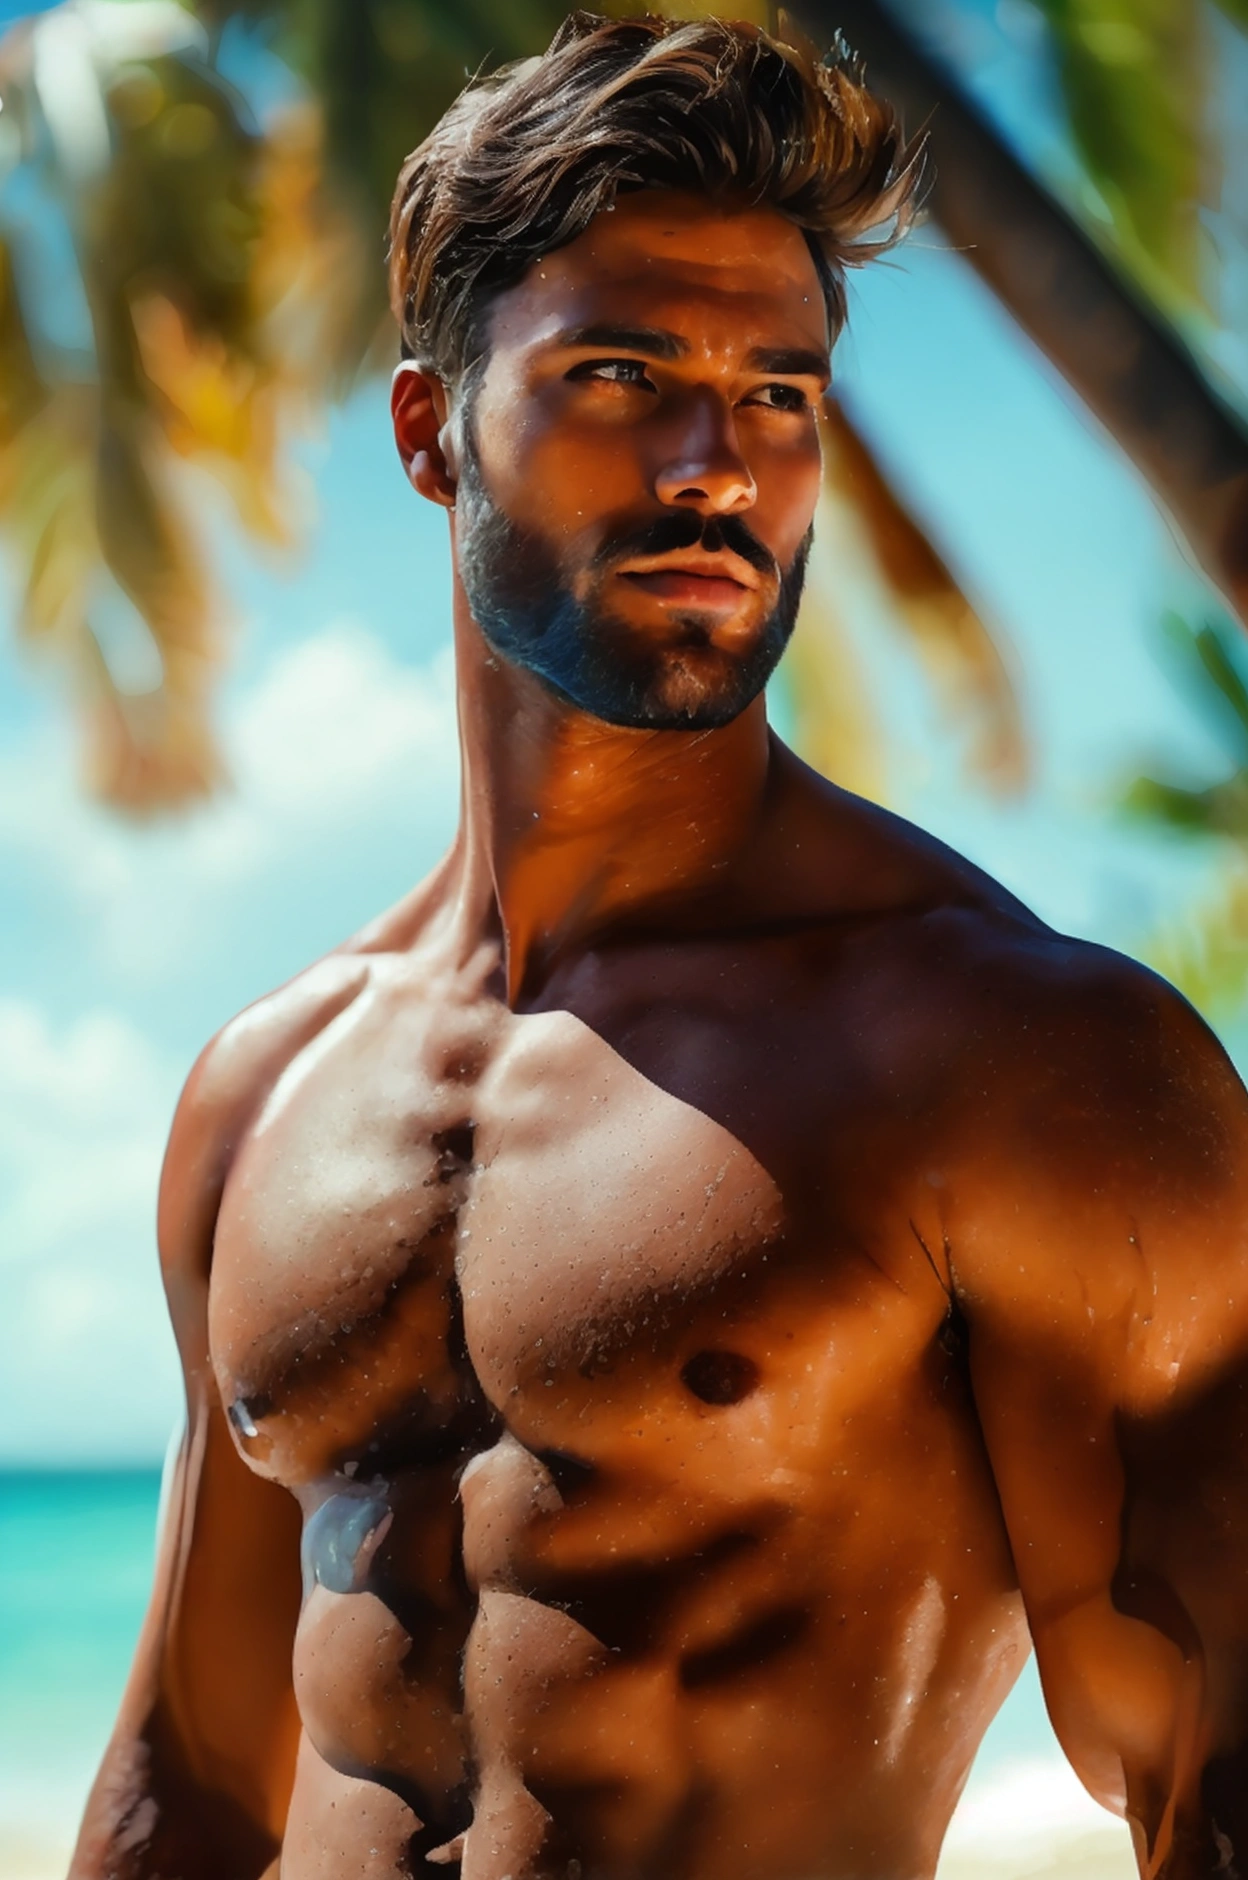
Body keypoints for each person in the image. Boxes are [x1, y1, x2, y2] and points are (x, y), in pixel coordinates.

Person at [71, 15, 1248, 1880]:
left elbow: (1215, 1775)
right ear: (427, 434)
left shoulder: (1022, 1064)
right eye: (624, 374)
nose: (720, 462)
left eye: (778, 395)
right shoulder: (266, 1094)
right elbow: (192, 1777)